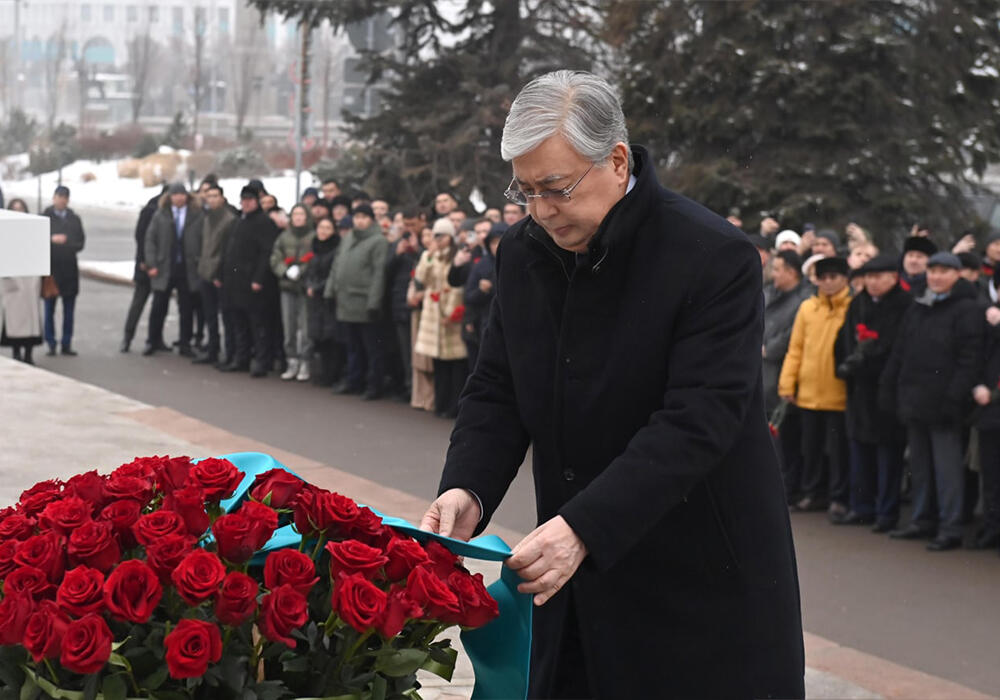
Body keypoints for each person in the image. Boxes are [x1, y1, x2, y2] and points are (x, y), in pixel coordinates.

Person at [419, 70, 803, 699]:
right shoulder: (523, 252)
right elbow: (497, 389)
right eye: (526, 191)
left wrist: (586, 527)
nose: (542, 210)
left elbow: (700, 417)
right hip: (574, 580)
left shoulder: (712, 255)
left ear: (617, 159)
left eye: (557, 188)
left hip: (698, 579)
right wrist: (469, 486)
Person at [880, 252, 982, 550]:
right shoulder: (918, 306)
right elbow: (901, 351)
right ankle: (921, 520)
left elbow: (969, 359)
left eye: (944, 271)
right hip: (915, 399)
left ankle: (950, 527)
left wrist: (954, 397)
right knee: (920, 466)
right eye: (933, 271)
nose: (936, 277)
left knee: (947, 469)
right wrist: (892, 386)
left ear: (957, 275)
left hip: (945, 404)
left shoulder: (966, 310)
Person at [833, 254, 912, 530]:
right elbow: (843, 339)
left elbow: (897, 348)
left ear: (894, 277)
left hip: (884, 388)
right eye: (869, 277)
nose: (873, 283)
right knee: (859, 451)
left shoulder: (904, 306)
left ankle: (886, 511)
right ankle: (861, 506)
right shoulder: (859, 303)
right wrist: (846, 364)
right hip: (858, 390)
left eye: (879, 277)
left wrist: (868, 363)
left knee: (887, 454)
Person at [779, 256, 852, 518]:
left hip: (838, 393)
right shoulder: (807, 308)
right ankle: (811, 492)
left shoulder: (852, 307)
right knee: (810, 448)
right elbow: (795, 348)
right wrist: (788, 382)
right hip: (809, 392)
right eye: (824, 278)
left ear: (845, 279)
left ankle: (838, 496)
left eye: (835, 277)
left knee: (838, 450)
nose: (829, 282)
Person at [325, 204, 387, 399]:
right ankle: (354, 380)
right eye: (357, 217)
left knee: (370, 348)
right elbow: (337, 265)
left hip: (364, 301)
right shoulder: (349, 237)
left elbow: (379, 273)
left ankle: (373, 385)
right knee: (352, 346)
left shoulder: (378, 241)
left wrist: (374, 303)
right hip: (345, 301)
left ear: (371, 219)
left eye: (363, 217)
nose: (359, 220)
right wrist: (330, 289)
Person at [763, 250, 810, 501]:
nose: (773, 274)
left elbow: (792, 336)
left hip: (784, 378)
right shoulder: (770, 294)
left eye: (778, 269)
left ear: (792, 272)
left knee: (786, 438)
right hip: (765, 377)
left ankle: (787, 488)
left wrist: (768, 348)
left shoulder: (802, 299)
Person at [217, 186, 278, 374]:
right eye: (243, 200)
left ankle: (262, 361)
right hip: (235, 281)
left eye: (250, 200)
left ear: (257, 201)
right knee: (239, 323)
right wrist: (220, 274)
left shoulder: (264, 222)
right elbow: (227, 251)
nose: (246, 203)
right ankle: (241, 358)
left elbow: (266, 253)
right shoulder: (238, 222)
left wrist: (259, 278)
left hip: (253, 282)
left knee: (258, 325)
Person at [414, 218, 468, 418]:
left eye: (442, 235)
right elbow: (422, 279)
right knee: (439, 362)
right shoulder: (429, 256)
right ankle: (441, 402)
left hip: (451, 309)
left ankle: (455, 405)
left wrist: (452, 312)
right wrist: (429, 256)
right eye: (436, 235)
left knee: (455, 361)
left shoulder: (456, 254)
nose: (438, 239)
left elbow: (455, 284)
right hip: (433, 311)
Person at [143, 183, 204, 357]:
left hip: (187, 267)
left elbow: (202, 239)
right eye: (175, 195)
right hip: (164, 267)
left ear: (187, 196)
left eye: (182, 195)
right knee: (159, 306)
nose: (179, 198)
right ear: (169, 197)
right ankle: (153, 340)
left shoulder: (196, 215)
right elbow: (150, 240)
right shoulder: (161, 214)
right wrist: (152, 264)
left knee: (186, 308)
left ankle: (185, 343)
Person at [971, 271, 1000, 553]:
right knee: (990, 477)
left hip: (994, 401)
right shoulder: (988, 319)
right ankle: (991, 528)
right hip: (989, 413)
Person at [270, 204, 316, 382]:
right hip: (287, 287)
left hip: (304, 287)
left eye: (301, 214)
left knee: (305, 327)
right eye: (295, 214)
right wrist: (284, 270)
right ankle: (292, 360)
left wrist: (302, 270)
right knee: (288, 326)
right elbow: (275, 257)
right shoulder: (284, 237)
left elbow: (315, 258)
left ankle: (305, 361)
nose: (298, 218)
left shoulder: (312, 236)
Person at [121, 185, 167, 353]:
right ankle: (127, 337)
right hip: (145, 266)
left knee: (159, 305)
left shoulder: (167, 211)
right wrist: (143, 261)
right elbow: (141, 237)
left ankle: (155, 338)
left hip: (161, 267)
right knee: (139, 302)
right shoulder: (150, 210)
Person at [386, 207, 426, 401]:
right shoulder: (397, 244)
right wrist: (397, 254)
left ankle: (419, 390)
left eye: (412, 224)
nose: (409, 228)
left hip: (420, 304)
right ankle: (408, 387)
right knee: (403, 349)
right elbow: (386, 271)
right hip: (400, 301)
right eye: (406, 224)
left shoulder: (426, 242)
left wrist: (418, 249)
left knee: (418, 350)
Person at [194, 184, 236, 365]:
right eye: (209, 196)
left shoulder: (229, 219)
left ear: (222, 198)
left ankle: (230, 352)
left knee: (226, 316)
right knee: (209, 315)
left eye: (215, 196)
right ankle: (212, 349)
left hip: (220, 275)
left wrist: (221, 273)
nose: (211, 199)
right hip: (205, 272)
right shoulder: (206, 218)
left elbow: (228, 251)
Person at [42, 185, 85, 356]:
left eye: (65, 197)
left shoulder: (74, 219)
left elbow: (80, 242)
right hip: (51, 269)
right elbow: (36, 240)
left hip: (69, 270)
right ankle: (51, 342)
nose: (61, 200)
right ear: (54, 198)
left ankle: (66, 343)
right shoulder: (45, 217)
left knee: (69, 310)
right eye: (59, 196)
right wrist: (51, 239)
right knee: (49, 309)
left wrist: (67, 242)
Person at [1, 199, 42, 364]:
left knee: (31, 321)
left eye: (21, 209)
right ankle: (16, 352)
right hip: (13, 281)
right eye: (14, 209)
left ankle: (28, 354)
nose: (18, 212)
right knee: (14, 322)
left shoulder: (33, 230)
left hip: (30, 282)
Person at [305, 217, 345, 386]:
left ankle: (331, 374)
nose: (323, 231)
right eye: (321, 227)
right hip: (315, 299)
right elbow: (310, 271)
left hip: (328, 297)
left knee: (330, 337)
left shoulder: (336, 249)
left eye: (328, 228)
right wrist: (308, 285)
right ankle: (321, 373)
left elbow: (333, 274)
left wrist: (318, 287)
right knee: (318, 336)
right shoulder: (315, 248)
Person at [462, 223, 504, 371]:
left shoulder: (515, 261)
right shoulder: (482, 265)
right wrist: (482, 290)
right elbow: (469, 296)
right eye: (493, 242)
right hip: (487, 323)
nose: (496, 246)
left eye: (500, 241)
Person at [409, 226, 436, 412]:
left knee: (430, 359)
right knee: (418, 357)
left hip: (433, 310)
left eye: (431, 235)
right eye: (424, 235)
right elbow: (417, 280)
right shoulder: (422, 256)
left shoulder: (438, 256)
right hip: (418, 310)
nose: (427, 239)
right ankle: (419, 397)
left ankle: (431, 398)